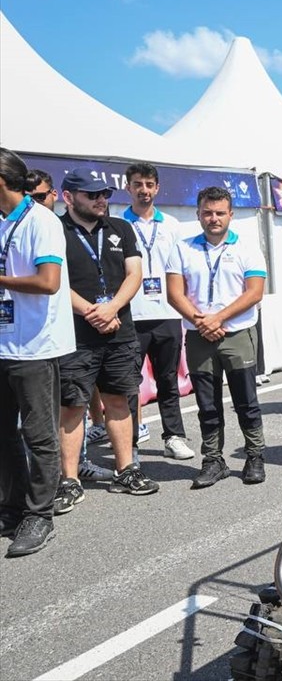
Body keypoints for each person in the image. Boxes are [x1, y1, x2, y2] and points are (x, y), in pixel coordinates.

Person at [55, 169, 159, 511]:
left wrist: (111, 307)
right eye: (92, 195)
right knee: (72, 406)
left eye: (104, 194)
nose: (101, 200)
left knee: (118, 400)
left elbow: (135, 274)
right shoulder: (55, 230)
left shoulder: (121, 228)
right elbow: (54, 280)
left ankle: (126, 469)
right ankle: (68, 480)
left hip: (119, 331)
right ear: (68, 197)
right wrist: (91, 312)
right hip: (76, 335)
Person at [165, 186, 268, 488]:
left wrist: (219, 318)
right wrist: (203, 321)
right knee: (207, 404)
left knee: (246, 400)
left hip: (237, 333)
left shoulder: (247, 247)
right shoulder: (182, 247)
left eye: (219, 213)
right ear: (198, 214)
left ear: (230, 215)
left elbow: (254, 292)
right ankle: (213, 459)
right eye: (207, 213)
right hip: (199, 336)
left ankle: (255, 455)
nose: (213, 218)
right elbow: (174, 293)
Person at [0, 150, 74, 557]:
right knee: (2, 435)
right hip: (2, 342)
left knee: (38, 434)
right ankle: (11, 507)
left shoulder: (41, 221)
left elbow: (48, 281)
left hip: (34, 345)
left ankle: (39, 514)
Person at [28, 169, 112, 482]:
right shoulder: (23, 229)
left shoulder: (58, 228)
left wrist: (100, 311)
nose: (37, 203)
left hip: (68, 335)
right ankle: (50, 478)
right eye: (32, 197)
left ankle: (78, 465)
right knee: (41, 415)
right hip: (30, 339)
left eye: (42, 196)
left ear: (55, 196)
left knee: (73, 403)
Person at [121, 163, 193, 461]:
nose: (144, 190)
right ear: (128, 187)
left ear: (157, 188)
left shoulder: (173, 225)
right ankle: (131, 444)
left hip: (167, 314)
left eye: (149, 184)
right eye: (138, 184)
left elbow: (183, 271)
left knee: (168, 380)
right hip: (131, 315)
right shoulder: (117, 224)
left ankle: (173, 437)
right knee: (128, 383)